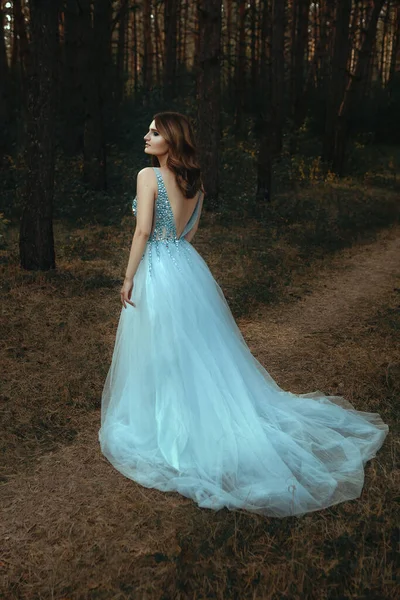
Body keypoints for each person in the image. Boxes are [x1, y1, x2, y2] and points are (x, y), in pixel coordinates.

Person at [98, 111, 389, 518]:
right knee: (197, 347)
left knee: (162, 345)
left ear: (171, 140)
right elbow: (189, 233)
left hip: (158, 268)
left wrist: (128, 277)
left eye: (154, 132)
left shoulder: (148, 177)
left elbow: (143, 231)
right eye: (147, 130)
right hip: (186, 265)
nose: (146, 136)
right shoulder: (195, 184)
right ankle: (192, 414)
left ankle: (165, 424)